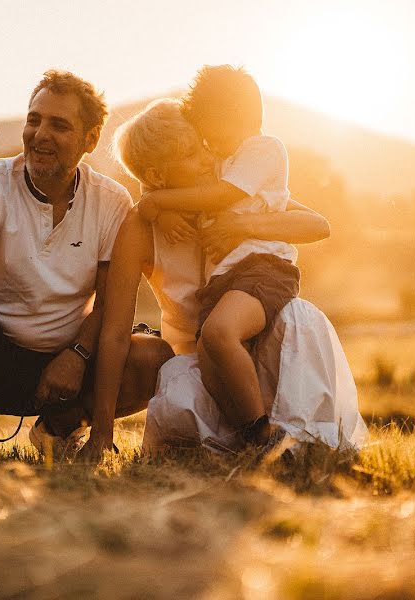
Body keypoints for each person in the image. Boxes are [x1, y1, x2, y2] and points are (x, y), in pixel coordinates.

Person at [0, 70, 173, 459]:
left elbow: (109, 304)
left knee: (155, 358)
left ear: (90, 140)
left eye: (59, 125)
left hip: (72, 366)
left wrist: (77, 355)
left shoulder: (110, 201)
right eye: (33, 120)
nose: (40, 134)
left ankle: (57, 429)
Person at [80, 98, 340, 461]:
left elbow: (317, 224)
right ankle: (257, 436)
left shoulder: (227, 191)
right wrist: (102, 430)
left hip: (255, 342)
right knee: (186, 415)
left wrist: (240, 223)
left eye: (203, 145)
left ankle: (278, 438)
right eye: (191, 154)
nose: (207, 159)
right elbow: (114, 331)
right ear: (156, 177)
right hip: (201, 360)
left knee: (299, 315)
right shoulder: (140, 228)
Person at [137, 65, 301, 446]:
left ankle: (264, 433)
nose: (207, 141)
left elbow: (221, 196)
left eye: (209, 128)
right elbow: (191, 189)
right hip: (225, 280)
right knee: (211, 363)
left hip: (262, 270)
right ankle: (244, 435)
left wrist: (157, 200)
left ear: (236, 117)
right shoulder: (226, 160)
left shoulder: (263, 150)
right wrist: (167, 210)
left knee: (220, 333)